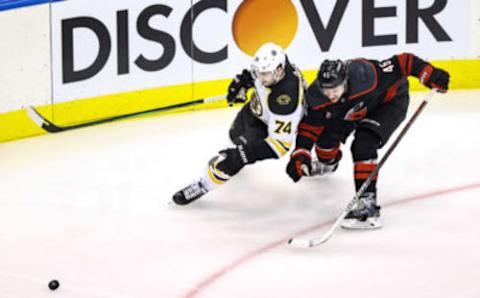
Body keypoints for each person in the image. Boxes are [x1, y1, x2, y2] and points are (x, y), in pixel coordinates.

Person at [285, 53, 450, 229]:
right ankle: (328, 164)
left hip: (388, 103)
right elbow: (310, 127)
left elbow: (404, 62)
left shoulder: (366, 75)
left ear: (345, 81)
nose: (330, 94)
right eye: (326, 89)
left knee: (364, 144)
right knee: (325, 134)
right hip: (355, 109)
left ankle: (367, 204)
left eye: (335, 89)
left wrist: (430, 73)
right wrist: (300, 154)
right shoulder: (317, 96)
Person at [173, 42, 306, 205]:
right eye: (259, 72)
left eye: (264, 74)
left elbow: (280, 146)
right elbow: (253, 76)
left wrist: (245, 155)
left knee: (231, 161)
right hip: (254, 112)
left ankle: (204, 185)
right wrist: (241, 83)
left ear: (279, 71)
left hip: (265, 128)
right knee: (233, 138)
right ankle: (229, 158)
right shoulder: (277, 65)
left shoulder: (285, 100)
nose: (260, 78)